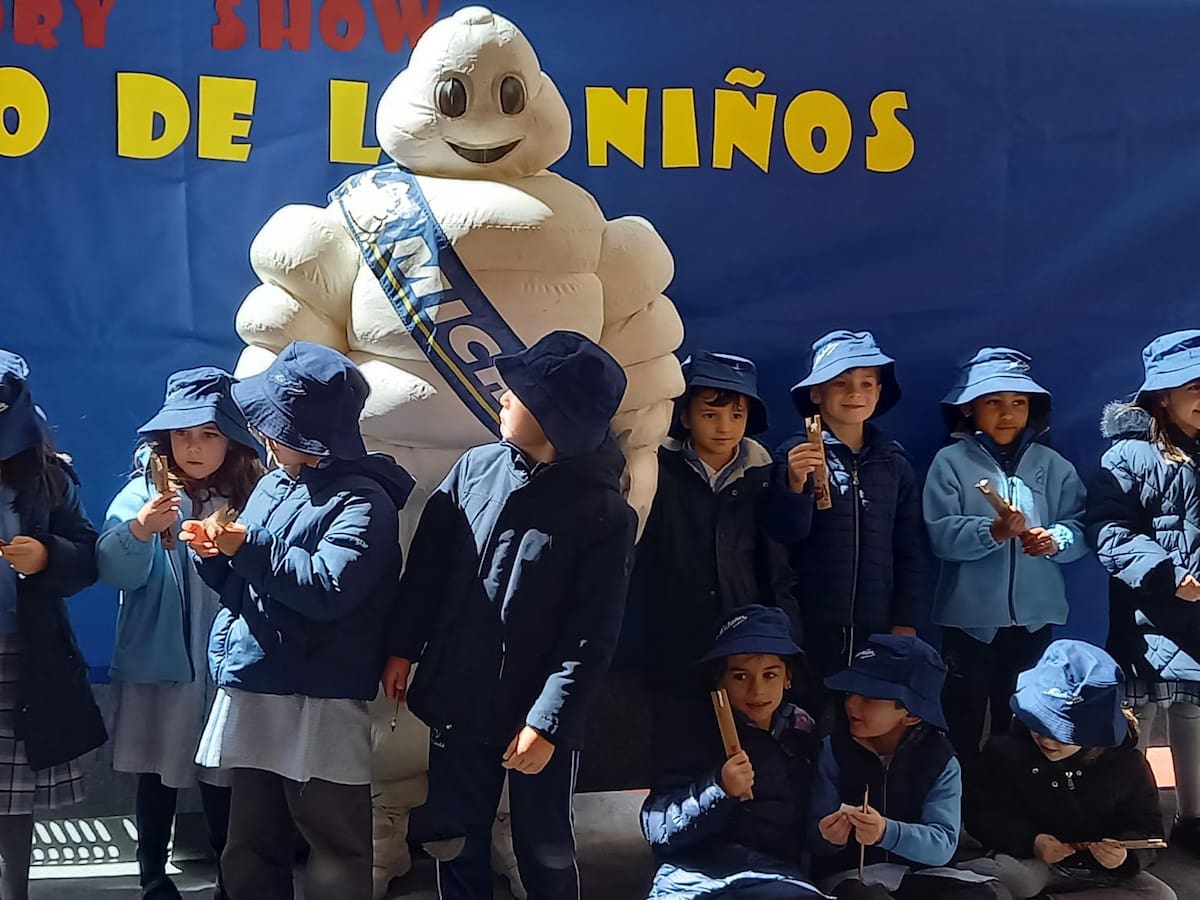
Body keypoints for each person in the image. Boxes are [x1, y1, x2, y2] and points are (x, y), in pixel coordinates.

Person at [381, 331, 637, 900]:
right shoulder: (475, 469)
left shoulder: (604, 515)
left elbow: (591, 637)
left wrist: (546, 724)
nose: (500, 396)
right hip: (458, 697)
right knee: (455, 837)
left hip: (536, 713)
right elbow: (427, 570)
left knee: (542, 845)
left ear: (552, 418)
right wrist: (403, 646)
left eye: (516, 392)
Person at [186, 342, 414, 900]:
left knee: (335, 843)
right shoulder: (271, 484)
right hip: (257, 680)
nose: (263, 432)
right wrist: (214, 557)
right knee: (250, 842)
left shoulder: (366, 504)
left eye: (274, 422)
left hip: (324, 694)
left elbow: (327, 590)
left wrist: (249, 547)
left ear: (307, 431)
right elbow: (248, 589)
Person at [98, 367, 263, 900]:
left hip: (225, 662)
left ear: (232, 441)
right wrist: (140, 530)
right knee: (156, 769)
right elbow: (114, 572)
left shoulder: (251, 500)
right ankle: (152, 875)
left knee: (224, 772)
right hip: (161, 666)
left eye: (209, 434)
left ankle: (228, 876)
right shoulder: (141, 496)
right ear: (164, 439)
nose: (193, 446)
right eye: (183, 434)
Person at [629, 351, 798, 772]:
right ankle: (678, 822)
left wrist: (795, 490)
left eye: (737, 416)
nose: (725, 428)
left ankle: (746, 820)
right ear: (684, 417)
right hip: (673, 630)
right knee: (677, 735)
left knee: (744, 740)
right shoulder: (656, 467)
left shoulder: (763, 471)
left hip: (742, 629)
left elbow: (783, 544)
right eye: (710, 414)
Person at [923, 348, 1088, 762]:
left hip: (1033, 623)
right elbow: (940, 534)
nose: (1007, 412)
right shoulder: (950, 463)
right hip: (968, 624)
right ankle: (956, 809)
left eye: (1018, 402)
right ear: (968, 409)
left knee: (1020, 722)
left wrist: (1054, 541)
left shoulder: (1054, 466)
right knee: (959, 718)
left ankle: (1010, 812)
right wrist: (992, 531)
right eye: (993, 401)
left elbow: (1081, 527)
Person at [767, 331, 928, 719]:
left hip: (877, 625)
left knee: (864, 721)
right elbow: (780, 539)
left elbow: (910, 548)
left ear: (878, 392)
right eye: (840, 383)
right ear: (816, 393)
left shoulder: (894, 463)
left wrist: (905, 620)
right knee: (807, 718)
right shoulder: (793, 454)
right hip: (811, 623)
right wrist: (793, 486)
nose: (855, 392)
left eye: (866, 384)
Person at [1086, 329, 1200, 855]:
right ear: (1162, 396)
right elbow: (1110, 531)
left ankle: (1194, 820)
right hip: (1146, 622)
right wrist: (1167, 576)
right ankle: (1139, 824)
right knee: (1142, 719)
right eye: (1195, 387)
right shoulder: (1127, 457)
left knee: (1194, 719)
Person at [0, 351, 106, 900]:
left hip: (22, 651)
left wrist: (46, 557)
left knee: (12, 794)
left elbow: (88, 555)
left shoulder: (49, 477)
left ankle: (14, 891)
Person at [960, 640, 1175, 900]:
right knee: (1020, 881)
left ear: (1096, 734)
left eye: (1063, 734)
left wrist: (1124, 857)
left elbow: (1149, 829)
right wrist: (1032, 841)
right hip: (1029, 860)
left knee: (1160, 895)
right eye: (1039, 725)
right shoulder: (1006, 752)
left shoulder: (1127, 764)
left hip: (1099, 868)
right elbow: (981, 812)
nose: (1047, 740)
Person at [640, 604, 823, 899]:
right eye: (740, 676)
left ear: (788, 677)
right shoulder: (691, 731)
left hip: (774, 876)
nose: (757, 691)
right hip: (694, 876)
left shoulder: (800, 731)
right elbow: (657, 827)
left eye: (770, 675)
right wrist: (717, 788)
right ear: (718, 679)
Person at [809, 634, 999, 899]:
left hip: (920, 875)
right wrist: (828, 837)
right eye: (850, 691)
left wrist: (886, 831)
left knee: (983, 895)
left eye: (870, 698)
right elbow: (812, 833)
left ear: (911, 714)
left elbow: (942, 844)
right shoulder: (833, 749)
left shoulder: (941, 760)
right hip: (851, 876)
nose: (852, 703)